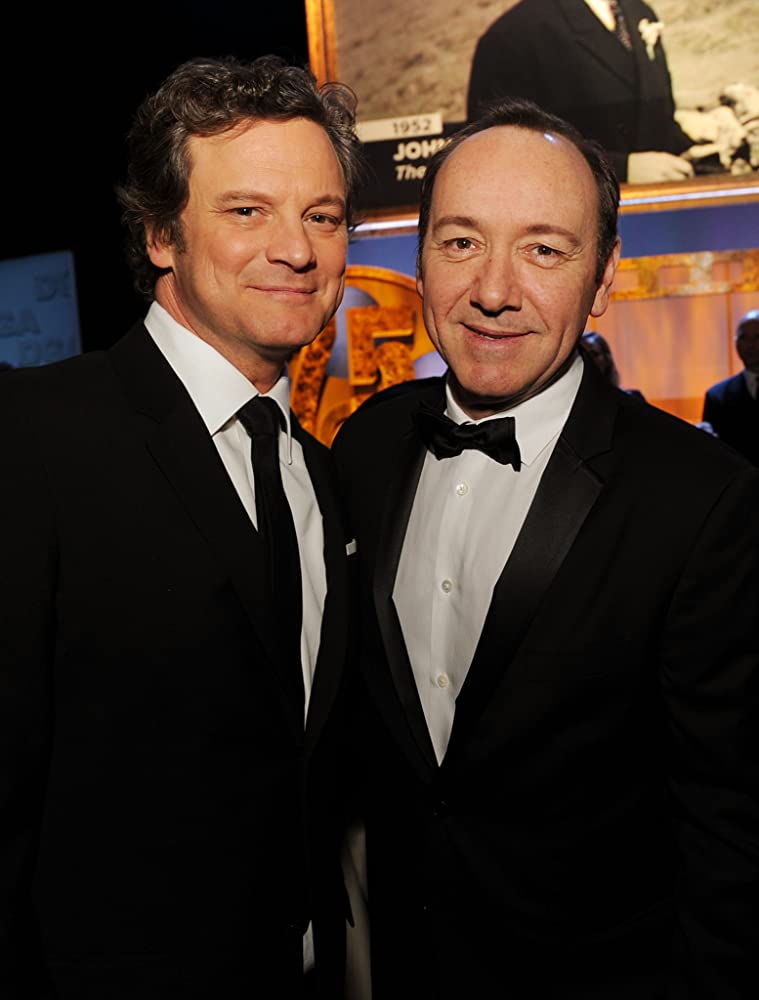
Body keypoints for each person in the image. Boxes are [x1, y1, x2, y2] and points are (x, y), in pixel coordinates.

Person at [332, 97, 759, 998]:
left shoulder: (702, 500)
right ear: (419, 258)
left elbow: (730, 822)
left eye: (543, 250)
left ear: (601, 279)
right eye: (460, 242)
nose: (493, 290)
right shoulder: (364, 447)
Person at [0, 55, 361, 998]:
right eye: (247, 211)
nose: (296, 250)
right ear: (161, 234)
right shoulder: (35, 438)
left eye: (323, 216)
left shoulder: (321, 474)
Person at [466, 0, 696, 183]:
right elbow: (502, 153)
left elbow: (647, 116)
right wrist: (622, 169)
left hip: (663, 211)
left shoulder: (639, 12)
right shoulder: (513, 34)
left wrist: (693, 149)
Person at [702, 309, 759, 465]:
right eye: (743, 338)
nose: (751, 345)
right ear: (735, 343)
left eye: (757, 337)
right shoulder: (717, 396)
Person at [580, 330, 646, 399]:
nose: (590, 360)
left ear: (607, 358)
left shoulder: (632, 398)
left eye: (594, 354)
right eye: (584, 355)